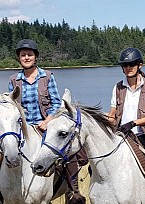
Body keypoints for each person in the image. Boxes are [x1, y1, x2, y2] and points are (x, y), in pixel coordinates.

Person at [7, 39, 86, 203]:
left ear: (35, 57)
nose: (26, 57)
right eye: (23, 55)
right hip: (23, 126)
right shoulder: (14, 80)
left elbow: (56, 103)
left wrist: (47, 121)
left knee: (65, 152)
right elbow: (12, 106)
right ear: (19, 58)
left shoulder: (47, 76)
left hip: (45, 124)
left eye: (30, 54)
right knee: (6, 149)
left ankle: (74, 191)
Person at [107, 47, 145, 203]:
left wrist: (133, 123)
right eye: (125, 65)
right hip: (123, 135)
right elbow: (112, 113)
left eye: (132, 65)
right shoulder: (118, 87)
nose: (128, 68)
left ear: (140, 65)